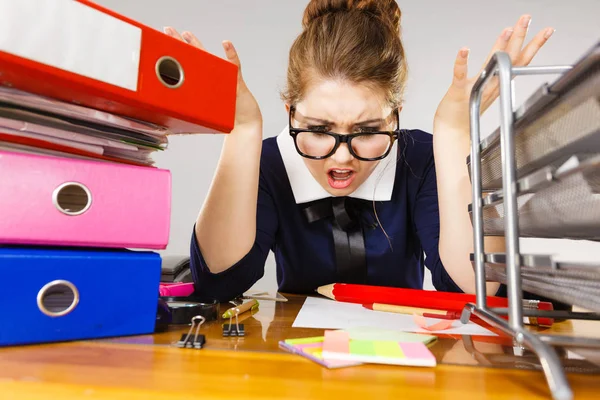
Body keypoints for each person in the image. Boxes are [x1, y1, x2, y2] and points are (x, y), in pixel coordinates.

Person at [165, 0, 554, 302]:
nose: (341, 158)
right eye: (318, 129)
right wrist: (242, 130)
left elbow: (476, 290)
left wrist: (454, 133)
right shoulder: (271, 161)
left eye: (367, 131)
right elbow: (218, 280)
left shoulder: (420, 157)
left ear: (395, 118)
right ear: (290, 113)